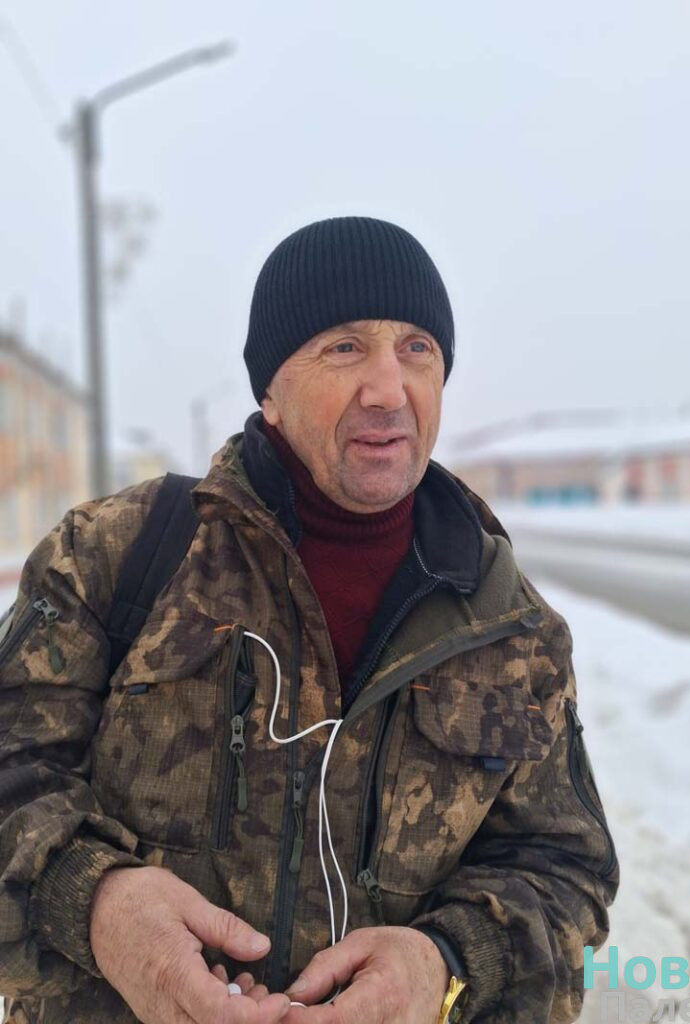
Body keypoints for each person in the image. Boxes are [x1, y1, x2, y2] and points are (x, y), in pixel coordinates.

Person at [0, 215, 619, 1024]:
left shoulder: (512, 630)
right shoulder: (114, 558)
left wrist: (445, 964)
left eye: (417, 349)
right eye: (345, 347)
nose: (388, 390)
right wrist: (100, 907)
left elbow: (566, 872)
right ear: (270, 390)